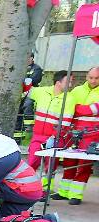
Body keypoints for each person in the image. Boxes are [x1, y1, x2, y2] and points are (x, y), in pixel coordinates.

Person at [53, 66, 99, 205]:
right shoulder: (77, 90)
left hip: (93, 133)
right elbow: (71, 107)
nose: (93, 80)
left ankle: (76, 195)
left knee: (84, 164)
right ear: (86, 76)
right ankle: (64, 192)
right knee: (69, 161)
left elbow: (94, 109)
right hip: (74, 131)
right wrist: (89, 109)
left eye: (96, 78)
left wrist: (84, 109)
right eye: (91, 77)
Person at [25, 70, 75, 172]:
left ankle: (47, 185)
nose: (70, 85)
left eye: (71, 82)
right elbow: (26, 91)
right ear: (58, 82)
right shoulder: (42, 92)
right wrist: (26, 81)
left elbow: (65, 123)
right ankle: (27, 186)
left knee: (50, 166)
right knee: (31, 163)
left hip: (54, 138)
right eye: (68, 82)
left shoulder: (69, 99)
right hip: (37, 136)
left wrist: (53, 137)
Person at [14, 53, 44, 142]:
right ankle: (17, 137)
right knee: (18, 114)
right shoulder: (21, 68)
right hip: (21, 93)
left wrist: (26, 80)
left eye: (28, 57)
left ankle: (29, 126)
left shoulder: (36, 68)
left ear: (32, 58)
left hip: (32, 92)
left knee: (28, 104)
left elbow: (34, 80)